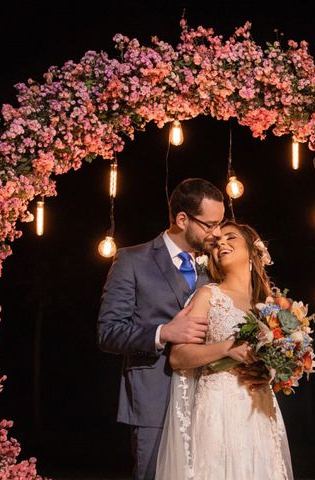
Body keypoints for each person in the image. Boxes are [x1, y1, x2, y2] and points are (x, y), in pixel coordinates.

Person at [97, 178, 226, 480]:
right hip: (155, 401)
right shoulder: (132, 260)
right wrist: (163, 333)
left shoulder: (215, 266)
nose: (217, 233)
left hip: (211, 403)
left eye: (220, 224)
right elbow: (108, 332)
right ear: (182, 219)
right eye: (209, 225)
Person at [156, 221, 294, 480]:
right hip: (218, 407)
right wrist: (228, 348)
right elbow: (177, 357)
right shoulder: (208, 296)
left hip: (259, 407)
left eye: (231, 238)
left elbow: (279, 359)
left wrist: (271, 373)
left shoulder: (269, 305)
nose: (221, 243)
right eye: (218, 241)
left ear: (252, 252)